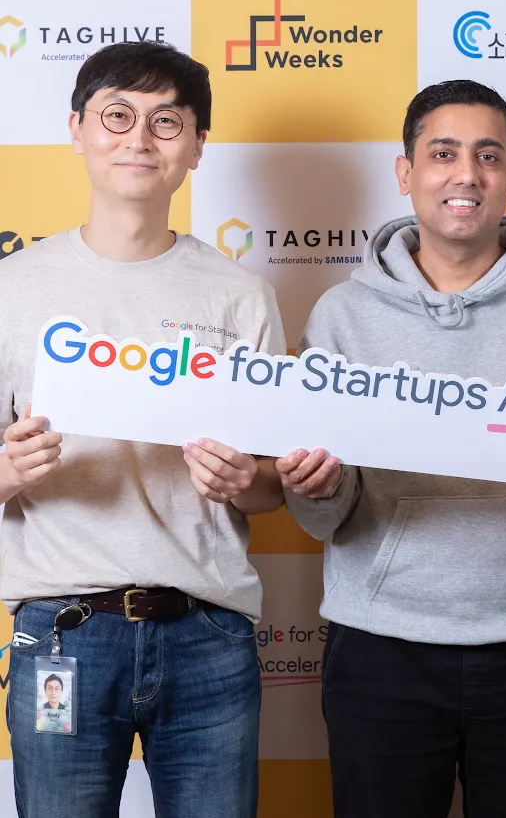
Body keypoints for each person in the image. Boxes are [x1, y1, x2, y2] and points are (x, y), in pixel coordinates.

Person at [277, 79, 506, 818]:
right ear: (405, 172)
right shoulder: (342, 317)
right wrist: (315, 486)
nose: (466, 174)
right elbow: (320, 514)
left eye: (488, 156)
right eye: (443, 154)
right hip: (382, 646)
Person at [0, 41, 286, 818]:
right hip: (62, 634)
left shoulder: (240, 297)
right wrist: (10, 471)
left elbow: (271, 489)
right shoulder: (13, 290)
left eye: (166, 122)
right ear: (77, 130)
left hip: (208, 636)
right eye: (117, 116)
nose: (139, 139)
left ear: (197, 145)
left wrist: (245, 480)